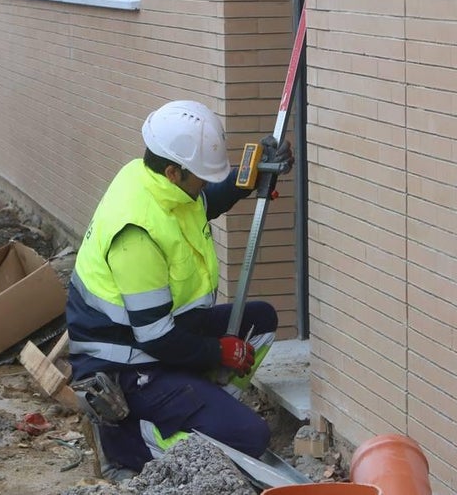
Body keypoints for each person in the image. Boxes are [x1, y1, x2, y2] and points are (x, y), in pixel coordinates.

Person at [66, 100, 294, 477]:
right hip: (127, 364)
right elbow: (155, 337)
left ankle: (201, 408)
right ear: (173, 172)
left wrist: (250, 176)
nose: (205, 182)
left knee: (261, 322)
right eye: (201, 175)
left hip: (161, 337)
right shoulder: (136, 232)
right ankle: (128, 445)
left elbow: (205, 201)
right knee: (251, 438)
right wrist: (216, 351)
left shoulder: (156, 181)